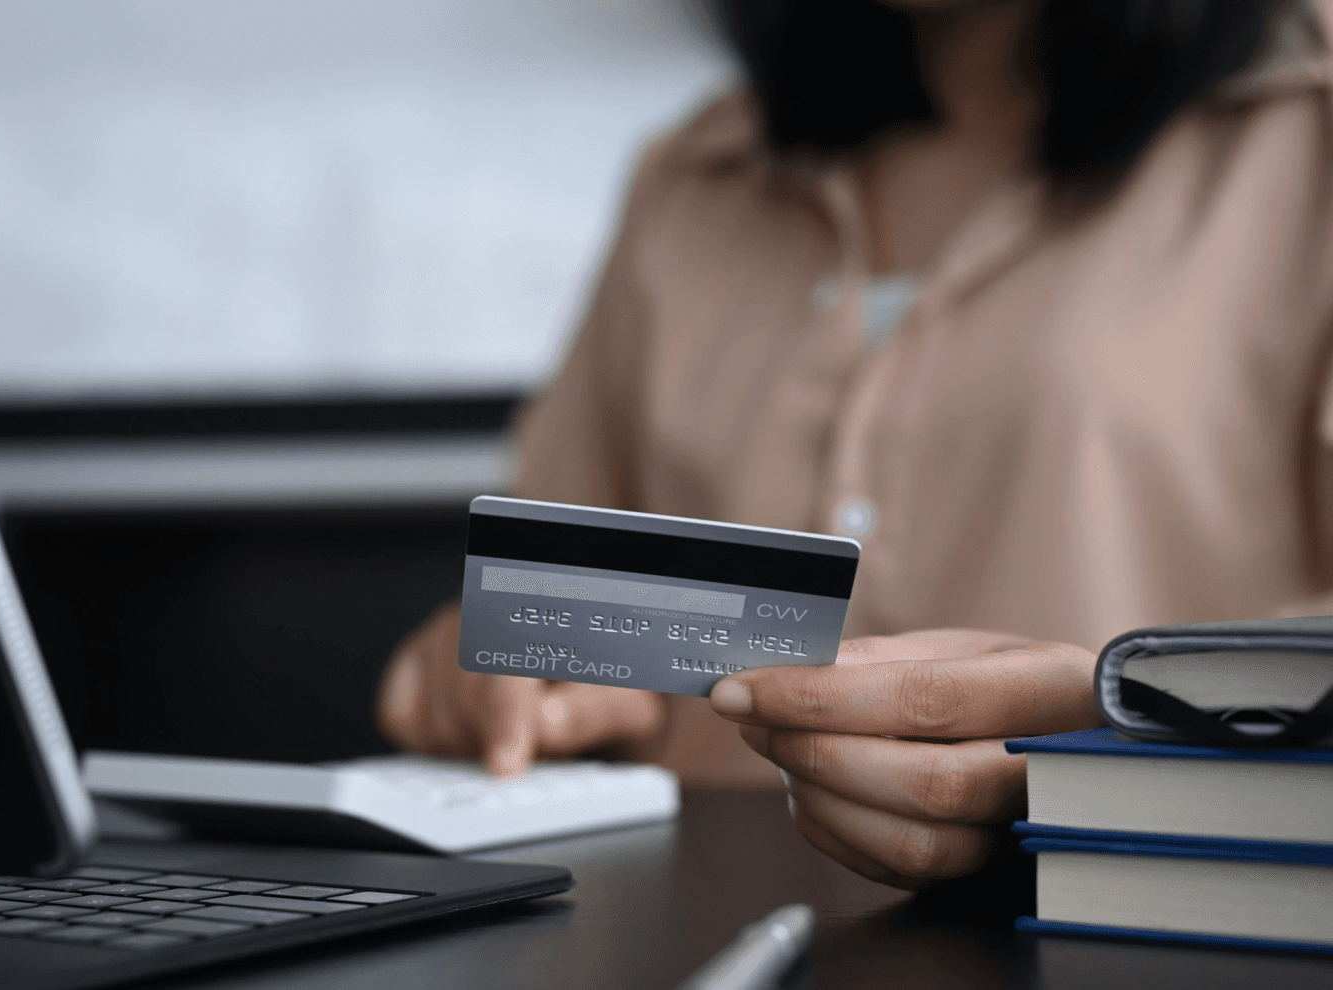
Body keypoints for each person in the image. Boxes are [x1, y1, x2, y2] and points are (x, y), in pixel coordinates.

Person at [377, 0, 1333, 891]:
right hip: (677, 929)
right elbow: (558, 606)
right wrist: (500, 678)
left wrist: (1116, 722)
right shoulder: (694, 173)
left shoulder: (1308, 133)